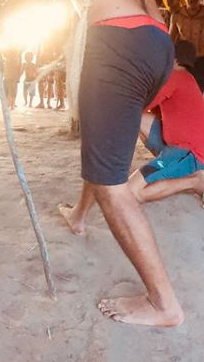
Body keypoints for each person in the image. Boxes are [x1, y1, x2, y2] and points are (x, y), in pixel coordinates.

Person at [1, 0, 182, 327]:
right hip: (154, 42)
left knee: (110, 183)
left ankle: (164, 304)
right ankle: (79, 216)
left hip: (116, 41)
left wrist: (0, 17)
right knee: (106, 147)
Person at [60, 40, 204, 233]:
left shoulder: (175, 77)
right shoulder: (186, 78)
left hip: (188, 154)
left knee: (134, 193)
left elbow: (136, 104)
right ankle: (169, 168)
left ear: (173, 59)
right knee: (140, 119)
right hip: (179, 146)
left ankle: (195, 181)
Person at [170, 0, 204, 91]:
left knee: (199, 93)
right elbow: (171, 40)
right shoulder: (177, 15)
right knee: (185, 92)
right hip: (184, 63)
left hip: (202, 61)